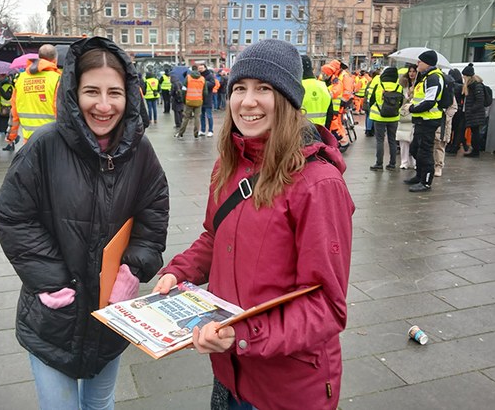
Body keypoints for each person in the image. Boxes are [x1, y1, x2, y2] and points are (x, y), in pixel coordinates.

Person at [152, 39, 354, 410]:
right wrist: (179, 272)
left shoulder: (319, 184)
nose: (248, 101)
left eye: (264, 88)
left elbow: (327, 305)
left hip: (288, 388)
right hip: (229, 374)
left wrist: (243, 335)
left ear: (288, 99)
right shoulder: (230, 164)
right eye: (240, 88)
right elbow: (216, 236)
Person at [0, 36, 169, 410]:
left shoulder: (140, 150)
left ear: (130, 95)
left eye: (114, 93)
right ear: (74, 92)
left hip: (110, 316)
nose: (104, 106)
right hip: (55, 316)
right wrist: (49, 277)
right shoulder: (45, 145)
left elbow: (154, 209)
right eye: (92, 91)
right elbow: (12, 214)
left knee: (100, 404)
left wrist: (134, 268)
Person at [404, 50, 446, 192]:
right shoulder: (426, 77)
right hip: (422, 120)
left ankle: (426, 181)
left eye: (419, 61)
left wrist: (412, 109)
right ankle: (419, 175)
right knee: (415, 148)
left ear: (426, 63)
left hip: (429, 120)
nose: (417, 64)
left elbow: (429, 101)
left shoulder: (433, 78)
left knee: (425, 152)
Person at [7, 44, 61, 147]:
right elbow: (60, 111)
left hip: (29, 141)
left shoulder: (20, 79)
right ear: (55, 60)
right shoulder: (57, 79)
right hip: (52, 140)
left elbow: (14, 111)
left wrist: (11, 135)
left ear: (39, 57)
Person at [368, 66, 402, 171]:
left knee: (380, 141)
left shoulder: (379, 85)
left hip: (379, 117)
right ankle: (392, 164)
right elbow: (400, 102)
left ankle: (379, 164)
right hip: (394, 117)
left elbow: (371, 100)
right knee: (392, 140)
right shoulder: (398, 87)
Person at [433, 70, 459, 176]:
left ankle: (438, 166)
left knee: (439, 144)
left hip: (442, 122)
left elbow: (453, 107)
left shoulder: (448, 93)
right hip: (430, 121)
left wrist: (445, 117)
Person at [174, 67, 209, 140]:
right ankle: (196, 134)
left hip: (189, 101)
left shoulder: (188, 78)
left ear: (191, 71)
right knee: (197, 118)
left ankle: (180, 133)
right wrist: (202, 99)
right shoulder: (202, 79)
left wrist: (184, 100)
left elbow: (184, 90)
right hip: (198, 101)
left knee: (186, 118)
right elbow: (205, 92)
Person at [461, 63, 487, 157]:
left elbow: (480, 100)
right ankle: (474, 150)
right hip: (474, 114)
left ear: (468, 76)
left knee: (475, 133)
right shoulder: (471, 85)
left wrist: (471, 110)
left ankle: (475, 152)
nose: (463, 77)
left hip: (475, 114)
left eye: (464, 75)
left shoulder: (476, 85)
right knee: (474, 132)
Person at [300, 55, 332, 128]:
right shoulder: (323, 86)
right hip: (321, 132)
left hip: (302, 133)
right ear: (312, 69)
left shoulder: (298, 87)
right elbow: (330, 113)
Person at [396, 65, 417, 170]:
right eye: (410, 71)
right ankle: (404, 162)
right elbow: (400, 101)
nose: (412, 74)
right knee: (403, 139)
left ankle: (414, 161)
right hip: (404, 115)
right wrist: (408, 95)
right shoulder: (403, 85)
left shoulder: (420, 85)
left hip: (415, 115)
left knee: (414, 139)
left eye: (414, 71)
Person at [445, 68, 466, 155]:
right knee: (458, 130)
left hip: (451, 109)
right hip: (460, 110)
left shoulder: (451, 85)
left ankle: (448, 144)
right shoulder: (462, 87)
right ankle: (455, 145)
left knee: (450, 127)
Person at [197, 62, 217, 137]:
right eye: (199, 68)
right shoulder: (198, 76)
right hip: (199, 98)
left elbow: (213, 84)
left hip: (208, 98)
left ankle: (210, 130)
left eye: (202, 68)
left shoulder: (209, 75)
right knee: (201, 115)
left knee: (209, 115)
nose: (200, 70)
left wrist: (203, 83)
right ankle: (202, 130)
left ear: (205, 68)